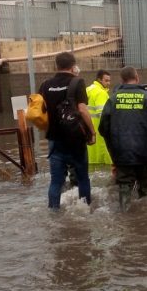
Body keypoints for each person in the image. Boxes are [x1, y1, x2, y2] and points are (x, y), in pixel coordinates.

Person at [98, 66, 147, 211]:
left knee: (124, 185)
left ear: (122, 80)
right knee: (145, 185)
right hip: (145, 151)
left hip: (122, 152)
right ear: (137, 78)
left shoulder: (113, 98)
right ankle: (145, 218)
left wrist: (113, 145)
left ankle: (125, 215)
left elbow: (103, 127)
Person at [38, 52, 96, 210]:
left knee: (56, 181)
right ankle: (85, 209)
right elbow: (83, 109)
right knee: (83, 177)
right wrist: (92, 132)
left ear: (56, 65)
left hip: (54, 140)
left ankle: (53, 212)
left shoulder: (45, 84)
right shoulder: (77, 82)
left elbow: (40, 111)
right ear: (73, 65)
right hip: (75, 139)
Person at [86, 70, 113, 165]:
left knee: (91, 159)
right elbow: (103, 114)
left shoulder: (88, 89)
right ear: (99, 80)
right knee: (105, 159)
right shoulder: (101, 93)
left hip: (89, 130)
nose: (108, 83)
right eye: (106, 80)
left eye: (109, 80)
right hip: (100, 131)